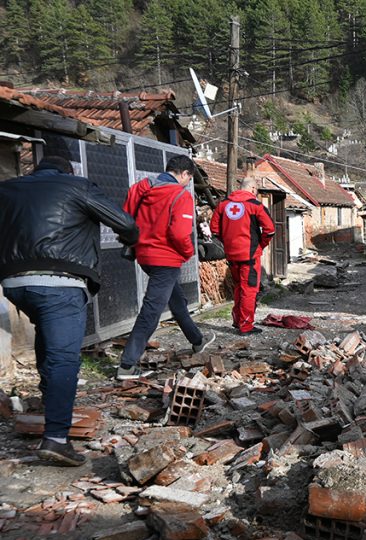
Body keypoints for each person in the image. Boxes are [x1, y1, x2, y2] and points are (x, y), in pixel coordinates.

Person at [0, 156, 138, 466]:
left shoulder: (8, 189)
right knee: (63, 358)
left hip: (15, 283)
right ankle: (57, 439)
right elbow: (126, 223)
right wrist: (130, 240)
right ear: (68, 171)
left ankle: (51, 403)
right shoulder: (78, 186)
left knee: (47, 340)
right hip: (60, 280)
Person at [117, 155, 214, 379]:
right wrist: (188, 252)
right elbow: (179, 234)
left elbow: (125, 218)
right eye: (188, 179)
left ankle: (197, 340)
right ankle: (127, 365)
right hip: (166, 260)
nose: (187, 183)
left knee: (176, 300)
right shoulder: (181, 195)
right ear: (185, 174)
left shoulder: (142, 187)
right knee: (151, 311)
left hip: (143, 256)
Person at [211, 177, 276, 335]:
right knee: (249, 290)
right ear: (253, 189)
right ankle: (246, 325)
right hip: (250, 256)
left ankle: (237, 320)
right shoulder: (255, 206)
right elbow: (270, 230)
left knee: (239, 287)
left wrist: (228, 244)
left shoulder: (223, 204)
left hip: (231, 256)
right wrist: (261, 245)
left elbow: (214, 230)